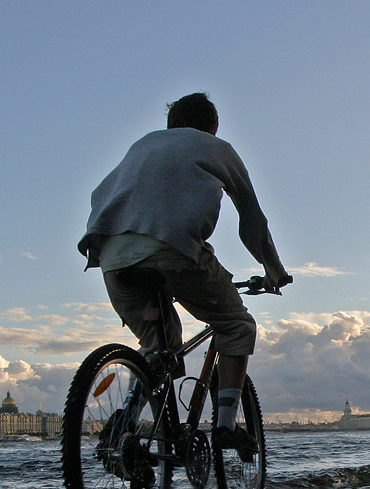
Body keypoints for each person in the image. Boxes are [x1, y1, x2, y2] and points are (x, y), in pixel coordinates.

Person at [79, 92, 289, 458]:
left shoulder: (141, 147)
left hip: (112, 257)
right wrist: (274, 272)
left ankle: (126, 423)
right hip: (173, 251)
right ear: (213, 127)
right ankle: (225, 426)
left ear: (169, 125)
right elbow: (252, 222)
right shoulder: (216, 147)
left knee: (160, 346)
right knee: (237, 325)